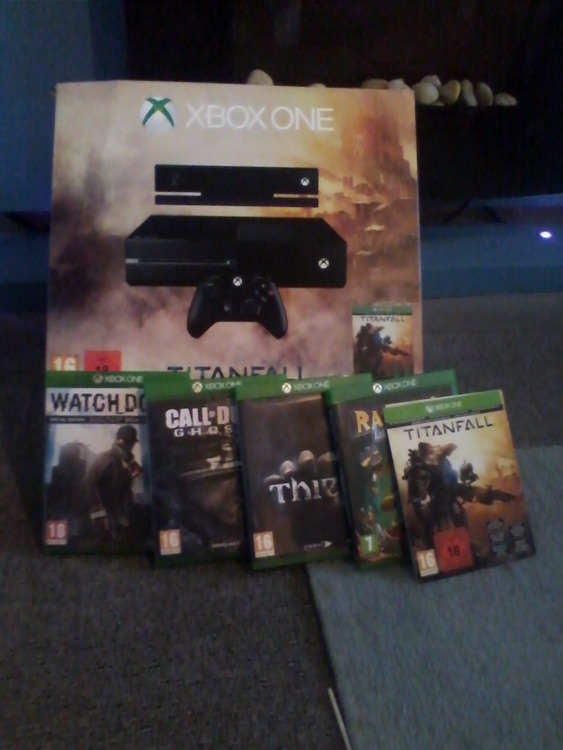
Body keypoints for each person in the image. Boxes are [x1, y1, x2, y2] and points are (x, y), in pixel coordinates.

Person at [86, 425, 141, 542]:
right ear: (119, 440)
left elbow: (124, 492)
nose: (131, 445)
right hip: (105, 524)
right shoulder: (105, 459)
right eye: (128, 441)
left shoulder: (129, 463)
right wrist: (99, 515)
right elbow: (89, 485)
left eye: (132, 442)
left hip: (120, 523)